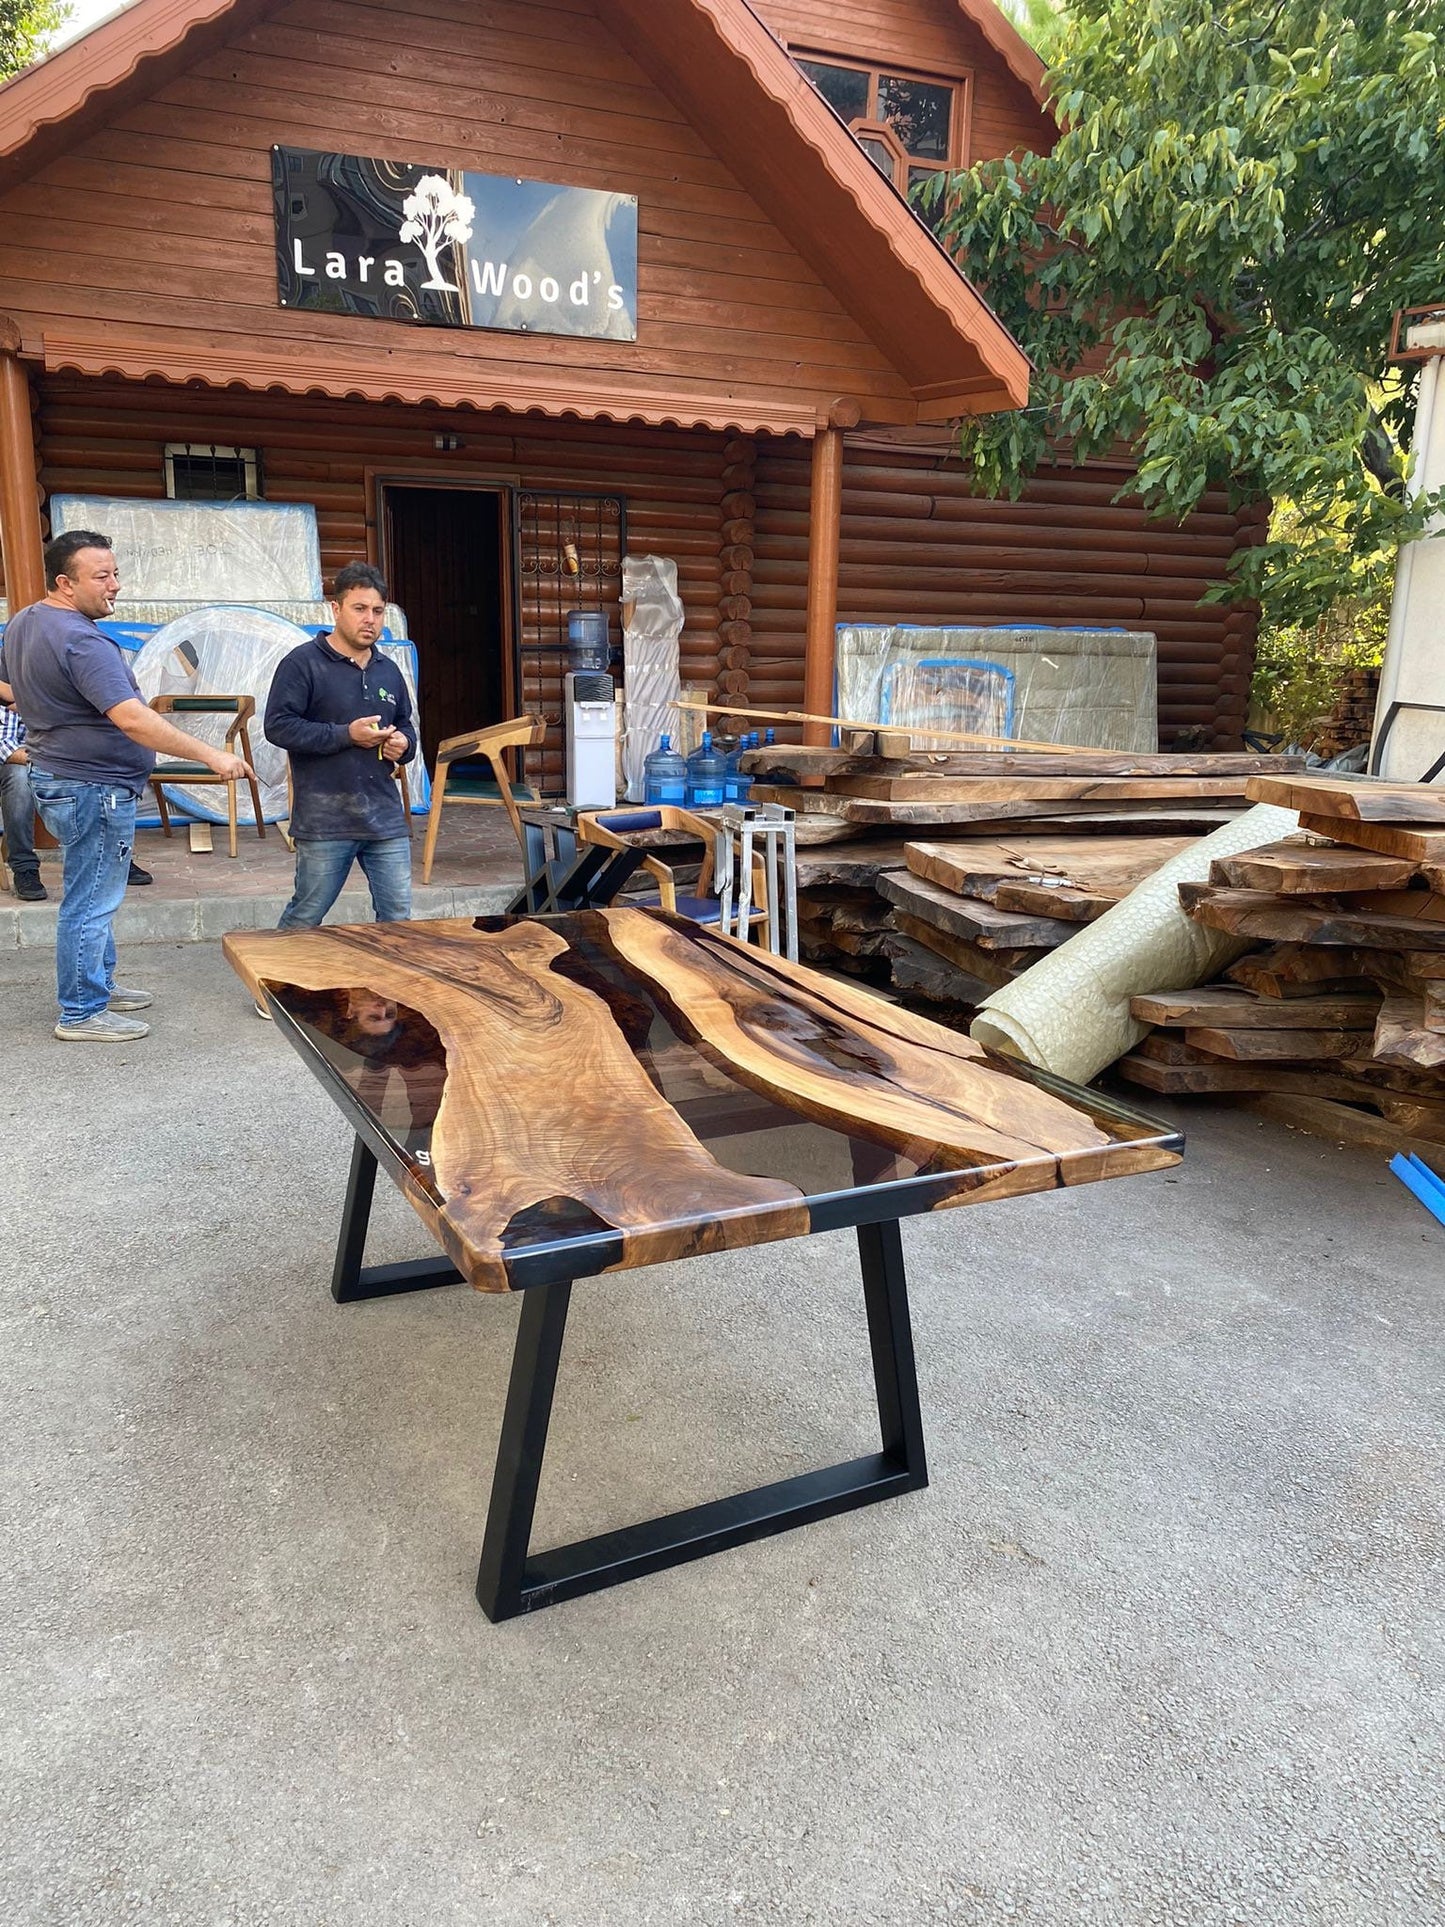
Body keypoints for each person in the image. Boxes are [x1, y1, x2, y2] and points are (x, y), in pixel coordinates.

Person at [0, 530, 255, 1042]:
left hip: (62, 777)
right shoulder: (83, 640)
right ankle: (81, 1012)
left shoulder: (26, 621)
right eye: (102, 576)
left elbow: (12, 690)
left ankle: (98, 984)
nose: (115, 585)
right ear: (65, 583)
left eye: (115, 572)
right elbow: (134, 720)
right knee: (90, 899)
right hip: (93, 787)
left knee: (96, 892)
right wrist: (211, 754)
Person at [263, 561, 417, 963]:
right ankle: (276, 985)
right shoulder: (303, 663)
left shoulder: (389, 670)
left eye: (378, 611)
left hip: (384, 816)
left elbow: (407, 727)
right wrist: (345, 734)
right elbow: (278, 728)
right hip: (325, 818)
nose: (370, 620)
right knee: (307, 913)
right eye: (359, 608)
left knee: (397, 917)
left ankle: (392, 988)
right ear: (336, 608)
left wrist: (405, 743)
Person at [0, 680, 45, 901]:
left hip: (48, 757)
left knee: (97, 769)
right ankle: (24, 866)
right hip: (12, 762)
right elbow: (4, 746)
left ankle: (111, 857)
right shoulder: (5, 674)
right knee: (20, 779)